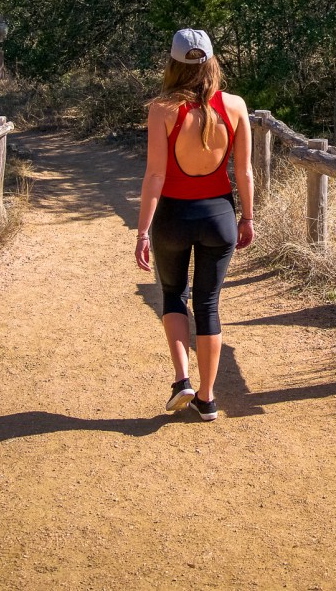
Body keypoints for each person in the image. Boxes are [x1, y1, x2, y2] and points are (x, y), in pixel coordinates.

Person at [135, 28, 254, 422]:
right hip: (218, 217)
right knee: (208, 304)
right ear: (211, 61)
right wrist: (247, 218)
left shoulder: (161, 110)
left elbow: (155, 176)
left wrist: (141, 232)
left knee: (173, 295)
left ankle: (182, 379)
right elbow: (245, 172)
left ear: (173, 64)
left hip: (172, 216)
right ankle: (207, 398)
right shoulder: (235, 106)